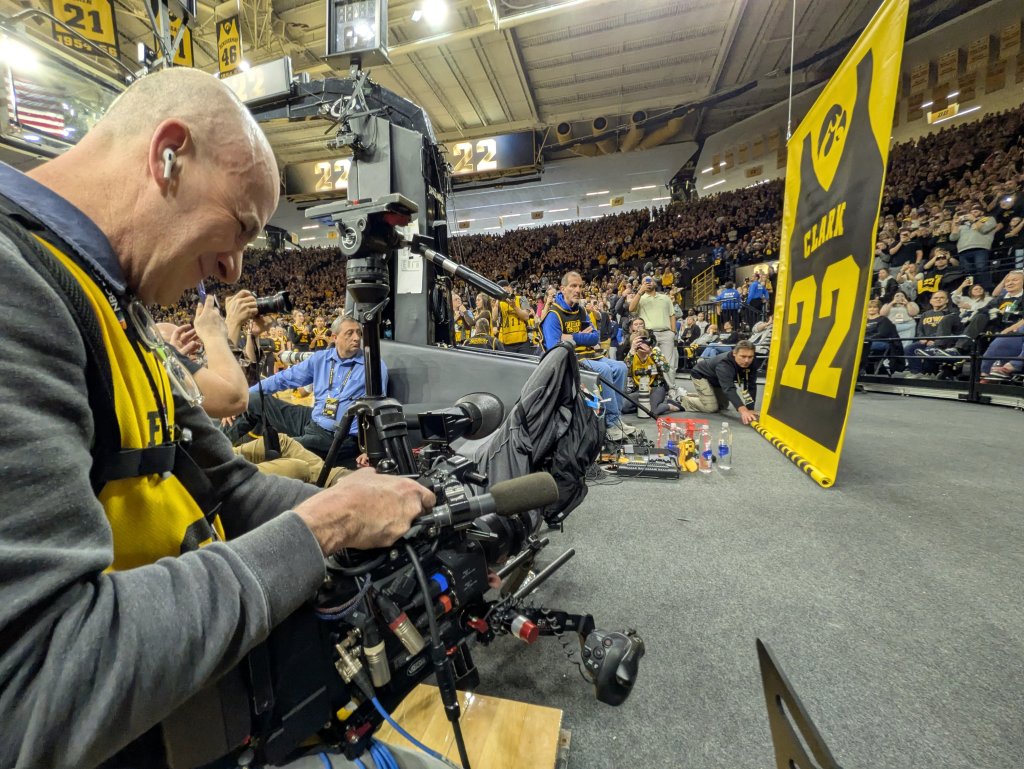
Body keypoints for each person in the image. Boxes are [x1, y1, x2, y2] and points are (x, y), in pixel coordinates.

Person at [0, 68, 438, 769]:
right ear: (167, 156)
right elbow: (42, 679)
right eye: (240, 226)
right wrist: (326, 524)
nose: (234, 271)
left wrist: (387, 515)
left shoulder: (118, 305)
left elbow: (230, 485)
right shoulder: (16, 285)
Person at [225, 316, 386, 460]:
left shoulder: (372, 365)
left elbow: (379, 408)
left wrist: (372, 448)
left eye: (359, 333)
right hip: (314, 420)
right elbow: (284, 378)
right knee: (253, 400)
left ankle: (236, 460)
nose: (357, 338)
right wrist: (241, 397)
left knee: (283, 448)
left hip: (339, 436)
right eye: (350, 333)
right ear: (335, 337)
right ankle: (218, 446)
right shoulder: (321, 358)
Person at [541, 271, 638, 442]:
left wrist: (572, 337)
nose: (578, 290)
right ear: (563, 289)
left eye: (580, 286)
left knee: (622, 367)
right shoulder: (553, 315)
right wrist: (581, 338)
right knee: (605, 370)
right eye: (573, 286)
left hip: (591, 355)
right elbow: (553, 346)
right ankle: (611, 424)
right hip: (573, 360)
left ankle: (617, 419)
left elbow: (595, 337)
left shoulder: (582, 311)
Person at [678, 340, 761, 425]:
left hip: (717, 379)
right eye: (743, 356)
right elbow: (728, 388)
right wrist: (743, 411)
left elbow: (750, 386)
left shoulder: (752, 362)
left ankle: (697, 395)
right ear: (734, 353)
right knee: (711, 408)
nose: (747, 360)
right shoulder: (724, 364)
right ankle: (681, 399)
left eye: (750, 357)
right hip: (701, 375)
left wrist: (750, 409)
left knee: (723, 406)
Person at [626, 274, 679, 387]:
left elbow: (672, 315)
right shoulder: (640, 298)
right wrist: (640, 291)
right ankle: (651, 386)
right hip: (648, 334)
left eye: (650, 281)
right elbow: (631, 309)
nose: (648, 283)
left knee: (669, 364)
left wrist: (673, 332)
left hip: (666, 333)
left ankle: (671, 389)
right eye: (645, 281)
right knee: (648, 360)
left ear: (655, 283)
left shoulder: (665, 298)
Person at [492, 279, 533, 353]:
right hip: (506, 343)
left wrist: (514, 307)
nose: (504, 292)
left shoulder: (521, 299)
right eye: (501, 290)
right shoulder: (498, 303)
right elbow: (494, 318)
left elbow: (526, 317)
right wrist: (497, 301)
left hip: (523, 342)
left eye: (505, 289)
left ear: (510, 288)